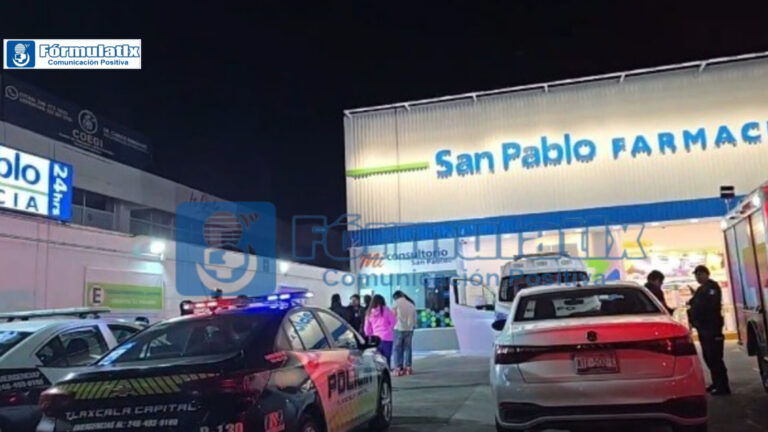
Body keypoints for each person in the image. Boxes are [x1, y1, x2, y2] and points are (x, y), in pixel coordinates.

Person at [688, 265, 731, 395]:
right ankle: (716, 382)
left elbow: (708, 306)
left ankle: (722, 386)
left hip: (712, 328)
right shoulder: (702, 289)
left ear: (706, 274)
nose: (698, 277)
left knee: (715, 357)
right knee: (708, 357)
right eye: (696, 275)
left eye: (700, 274)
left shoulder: (712, 288)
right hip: (704, 328)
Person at [364, 294, 396, 366]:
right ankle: (387, 370)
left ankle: (379, 371)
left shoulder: (369, 312)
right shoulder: (386, 310)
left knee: (377, 359)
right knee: (387, 358)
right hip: (387, 337)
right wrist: (389, 328)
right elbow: (393, 321)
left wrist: (370, 335)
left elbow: (366, 328)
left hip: (376, 338)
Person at [392, 290, 417, 376]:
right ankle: (408, 367)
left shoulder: (396, 303)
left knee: (397, 349)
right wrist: (413, 326)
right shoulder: (411, 304)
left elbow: (393, 316)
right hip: (409, 329)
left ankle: (398, 368)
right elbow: (415, 317)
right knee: (408, 348)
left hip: (399, 328)